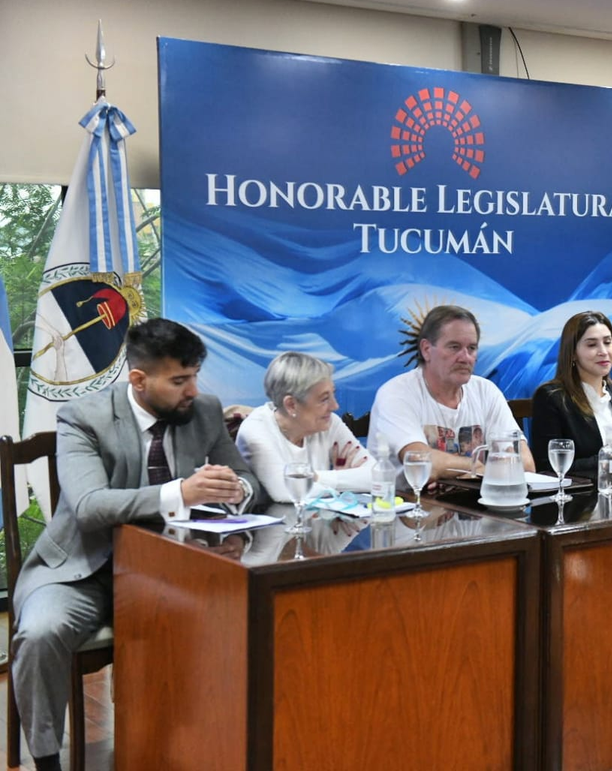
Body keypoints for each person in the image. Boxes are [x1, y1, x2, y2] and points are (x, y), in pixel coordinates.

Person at [11, 318, 263, 771]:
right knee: (40, 632)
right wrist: (181, 492)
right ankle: (47, 759)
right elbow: (89, 506)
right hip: (83, 569)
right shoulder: (83, 417)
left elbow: (247, 480)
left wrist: (232, 491)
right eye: (180, 380)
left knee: (241, 621)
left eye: (195, 376)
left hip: (170, 569)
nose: (193, 389)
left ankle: (196, 746)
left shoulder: (203, 411)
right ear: (139, 380)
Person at [368, 304, 533, 480]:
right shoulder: (397, 393)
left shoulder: (486, 391)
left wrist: (463, 470)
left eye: (471, 348)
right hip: (407, 503)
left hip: (474, 504)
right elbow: (421, 463)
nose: (465, 358)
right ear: (426, 350)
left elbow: (526, 464)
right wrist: (475, 467)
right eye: (454, 347)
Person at [531, 311, 612, 474]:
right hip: (579, 495)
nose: (603, 351)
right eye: (591, 345)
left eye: (608, 342)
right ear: (572, 353)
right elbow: (548, 467)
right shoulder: (551, 397)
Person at [236, 351, 373, 501]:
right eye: (324, 399)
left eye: (333, 394)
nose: (334, 406)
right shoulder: (256, 430)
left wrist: (318, 477)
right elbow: (286, 492)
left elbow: (377, 476)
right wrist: (348, 481)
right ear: (291, 405)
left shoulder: (328, 422)